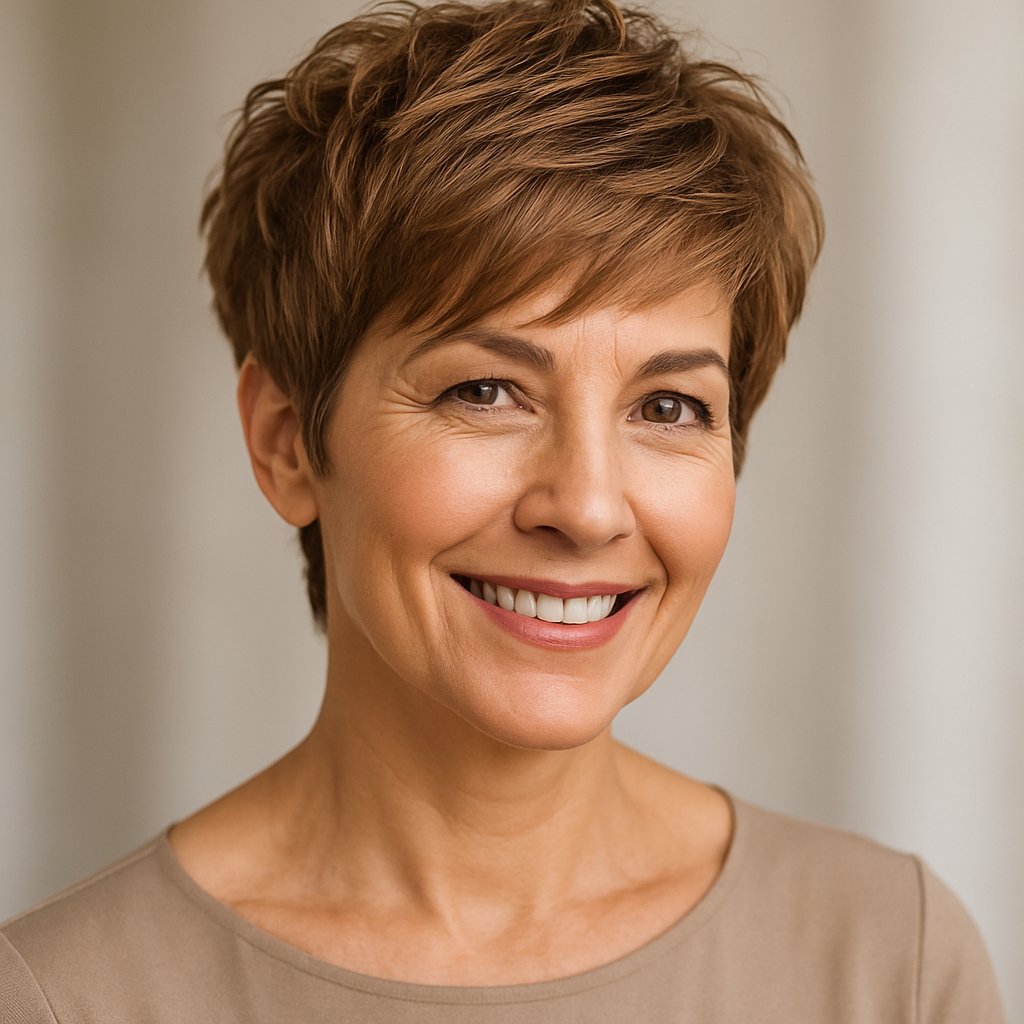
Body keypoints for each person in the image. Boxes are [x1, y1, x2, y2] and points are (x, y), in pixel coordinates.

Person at [0, 0, 1006, 1019]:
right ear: (286, 439)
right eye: (483, 391)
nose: (587, 506)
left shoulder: (890, 960)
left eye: (668, 405)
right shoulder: (64, 997)